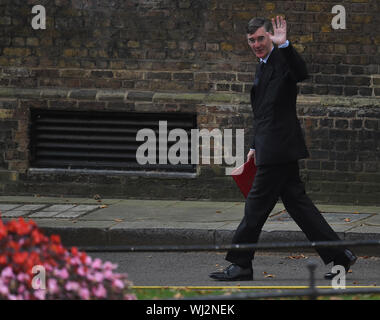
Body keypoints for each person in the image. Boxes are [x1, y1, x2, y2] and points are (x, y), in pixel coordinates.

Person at [209, 16, 356, 281]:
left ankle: (242, 263)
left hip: (277, 151)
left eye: (261, 38)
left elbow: (301, 73)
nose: (256, 44)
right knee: (300, 207)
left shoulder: (282, 61)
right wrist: (255, 145)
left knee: (255, 208)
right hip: (275, 148)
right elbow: (264, 112)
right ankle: (339, 256)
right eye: (252, 40)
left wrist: (285, 44)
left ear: (270, 37)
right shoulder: (263, 65)